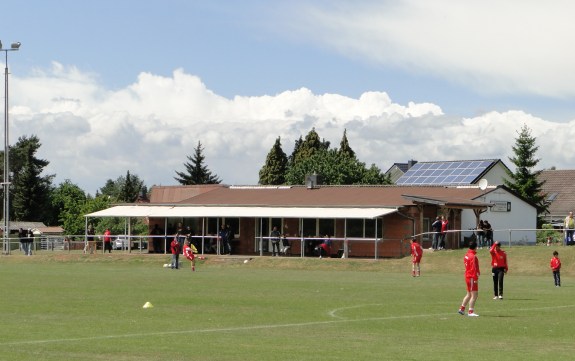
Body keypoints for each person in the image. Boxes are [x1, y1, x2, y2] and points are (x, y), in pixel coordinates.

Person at [458, 241, 480, 317]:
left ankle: (462, 309)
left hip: (467, 276)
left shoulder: (466, 255)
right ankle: (470, 311)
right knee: (475, 295)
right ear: (475, 247)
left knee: (469, 294)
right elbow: (473, 268)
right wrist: (475, 278)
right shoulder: (473, 257)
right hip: (471, 277)